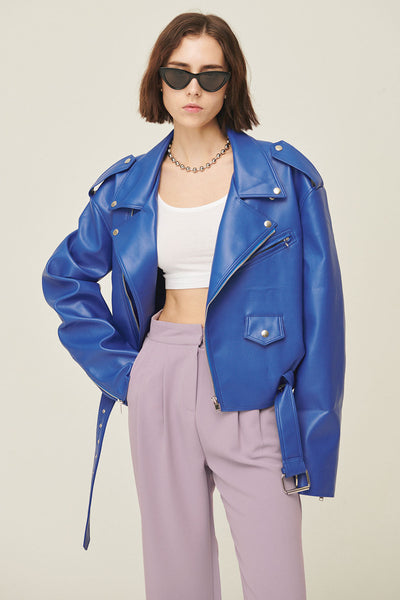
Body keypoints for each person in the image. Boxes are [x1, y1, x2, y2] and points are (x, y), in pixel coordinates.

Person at [42, 11, 346, 600]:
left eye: (211, 76)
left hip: (256, 390)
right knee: (176, 582)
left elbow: (323, 311)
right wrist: (128, 375)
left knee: (278, 583)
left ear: (232, 84)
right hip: (161, 375)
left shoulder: (285, 179)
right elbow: (66, 279)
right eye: (178, 74)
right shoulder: (127, 187)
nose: (193, 89)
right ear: (158, 80)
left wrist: (315, 432)